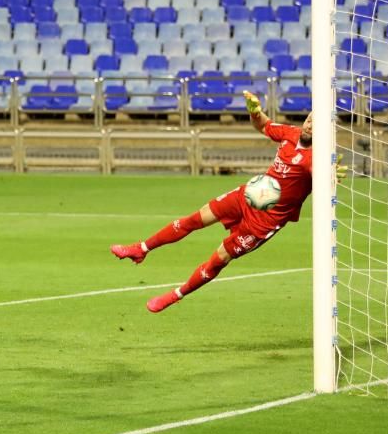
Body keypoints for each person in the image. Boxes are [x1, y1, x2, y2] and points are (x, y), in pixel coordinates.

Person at [111, 92, 346, 312]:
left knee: (219, 258)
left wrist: (330, 175)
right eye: (308, 119)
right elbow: (263, 125)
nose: (309, 124)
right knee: (195, 218)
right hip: (250, 195)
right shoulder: (290, 133)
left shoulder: (316, 158)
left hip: (265, 221)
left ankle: (176, 294)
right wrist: (255, 111)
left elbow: (322, 180)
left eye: (316, 123)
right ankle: (141, 249)